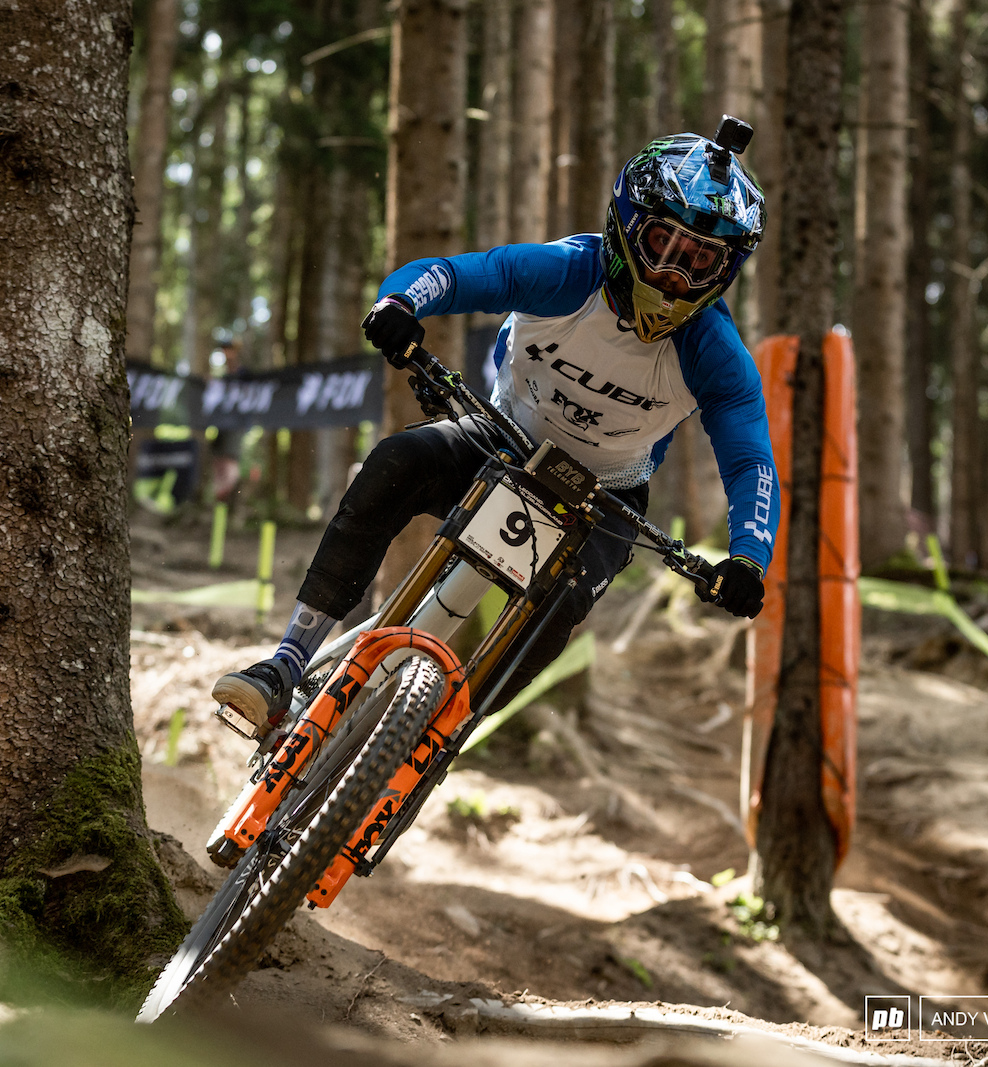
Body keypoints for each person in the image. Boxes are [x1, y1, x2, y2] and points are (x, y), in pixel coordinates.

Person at [213, 123, 781, 727]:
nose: (674, 276)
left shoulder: (715, 352)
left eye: (699, 262)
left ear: (726, 270)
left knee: (559, 606)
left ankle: (440, 740)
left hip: (605, 495)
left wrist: (748, 559)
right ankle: (288, 661)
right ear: (627, 224)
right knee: (395, 462)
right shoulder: (568, 273)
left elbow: (751, 463)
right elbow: (453, 275)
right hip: (502, 439)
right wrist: (401, 305)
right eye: (664, 246)